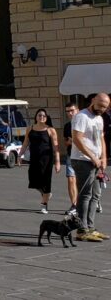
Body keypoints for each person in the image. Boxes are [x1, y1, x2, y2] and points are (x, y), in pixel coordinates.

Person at [71, 93, 109, 242]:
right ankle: (82, 230)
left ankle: (90, 228)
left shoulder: (99, 118)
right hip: (82, 161)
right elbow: (77, 139)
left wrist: (104, 157)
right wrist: (93, 157)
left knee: (95, 195)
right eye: (100, 105)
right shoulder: (81, 116)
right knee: (85, 195)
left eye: (105, 107)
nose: (102, 109)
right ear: (93, 100)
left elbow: (101, 138)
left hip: (96, 162)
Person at [18, 108, 60, 214]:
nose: (41, 117)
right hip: (34, 159)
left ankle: (44, 205)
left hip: (47, 160)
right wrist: (20, 155)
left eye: (44, 116)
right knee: (33, 180)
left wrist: (57, 162)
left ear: (46, 118)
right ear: (36, 117)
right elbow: (25, 143)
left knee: (46, 181)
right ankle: (47, 194)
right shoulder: (30, 128)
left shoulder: (50, 130)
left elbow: (56, 148)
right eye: (39, 115)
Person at [65, 102, 80, 215]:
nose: (70, 113)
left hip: (85, 157)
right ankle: (74, 205)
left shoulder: (83, 123)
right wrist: (70, 141)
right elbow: (66, 142)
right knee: (71, 180)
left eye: (72, 110)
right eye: (68, 111)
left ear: (77, 111)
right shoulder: (67, 126)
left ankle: (95, 201)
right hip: (71, 156)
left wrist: (74, 140)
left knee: (86, 182)